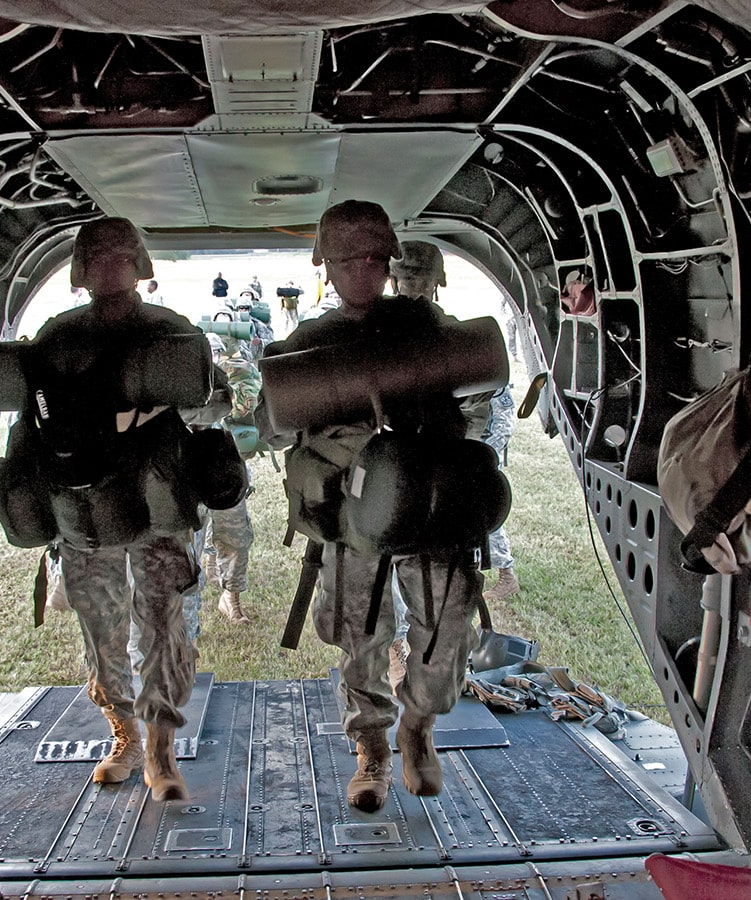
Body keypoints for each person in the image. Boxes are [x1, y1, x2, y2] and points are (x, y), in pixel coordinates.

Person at [262, 201, 490, 814]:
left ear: (388, 261)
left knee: (449, 624)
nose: (361, 270)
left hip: (429, 509)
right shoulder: (309, 343)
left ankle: (418, 724)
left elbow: (473, 385)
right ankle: (372, 748)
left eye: (372, 257)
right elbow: (274, 423)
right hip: (352, 514)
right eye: (346, 259)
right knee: (361, 637)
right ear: (326, 267)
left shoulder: (422, 326)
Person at [33, 217, 210, 802]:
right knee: (100, 624)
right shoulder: (56, 339)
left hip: (155, 500)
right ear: (82, 267)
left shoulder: (169, 330)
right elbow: (34, 425)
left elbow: (203, 404)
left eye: (120, 254)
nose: (110, 266)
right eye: (98, 256)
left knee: (162, 623)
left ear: (139, 262)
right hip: (86, 505)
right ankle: (124, 735)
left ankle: (160, 750)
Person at [389, 241, 521, 605]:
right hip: (448, 451)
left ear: (390, 279)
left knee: (458, 511)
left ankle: (503, 572)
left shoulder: (404, 337)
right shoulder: (455, 337)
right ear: (440, 281)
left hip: (451, 449)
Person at [204, 332, 260, 622]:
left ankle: (231, 597)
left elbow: (248, 415)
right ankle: (210, 562)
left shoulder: (237, 378)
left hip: (224, 473)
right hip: (186, 471)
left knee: (237, 537)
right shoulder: (181, 383)